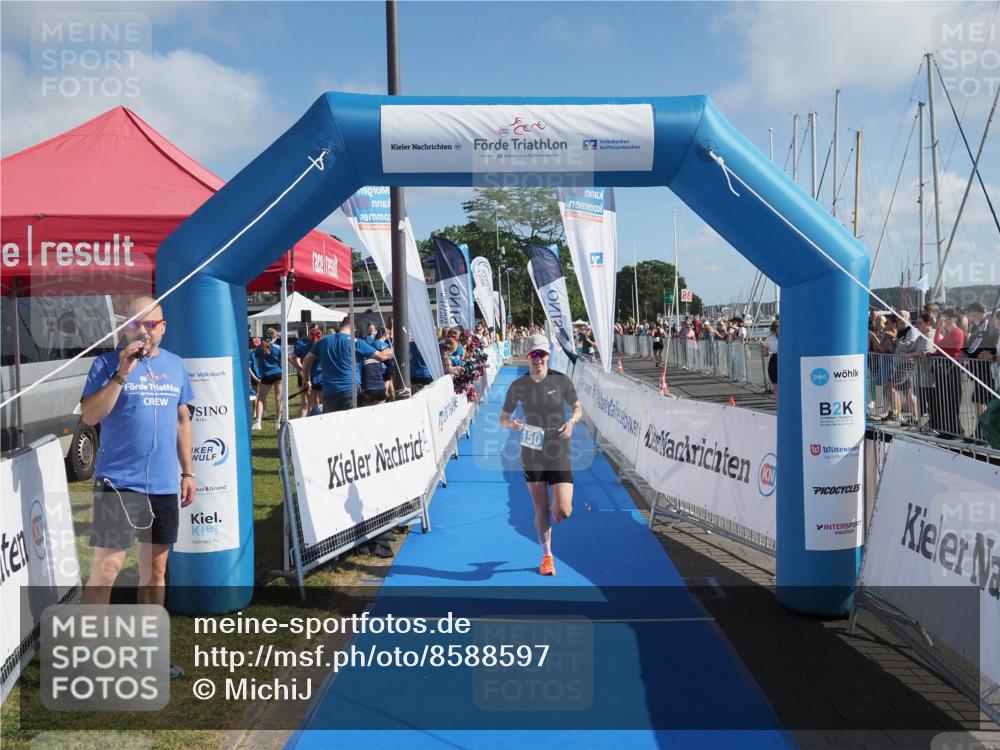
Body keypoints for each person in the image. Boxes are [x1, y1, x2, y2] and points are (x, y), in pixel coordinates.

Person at [79, 296, 195, 680]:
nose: (143, 331)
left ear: (163, 326)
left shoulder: (176, 366)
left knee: (156, 570)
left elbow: (182, 420)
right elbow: (91, 415)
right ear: (125, 328)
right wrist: (121, 373)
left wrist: (188, 472)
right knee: (108, 569)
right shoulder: (106, 364)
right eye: (135, 324)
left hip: (163, 485)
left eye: (150, 324)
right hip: (118, 483)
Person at [498, 334, 583, 577]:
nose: (538, 359)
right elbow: (503, 417)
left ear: (548, 355)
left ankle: (558, 509)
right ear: (528, 356)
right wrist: (511, 424)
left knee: (564, 511)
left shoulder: (561, 380)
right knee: (541, 509)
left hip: (557, 447)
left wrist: (571, 422)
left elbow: (578, 408)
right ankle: (547, 556)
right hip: (531, 450)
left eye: (542, 354)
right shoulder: (519, 386)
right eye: (534, 354)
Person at [303, 319, 393, 413]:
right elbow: (382, 356)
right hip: (350, 390)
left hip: (329, 390)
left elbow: (306, 360)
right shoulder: (356, 342)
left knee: (332, 423)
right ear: (354, 329)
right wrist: (394, 348)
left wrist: (307, 380)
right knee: (352, 423)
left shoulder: (323, 341)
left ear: (340, 326)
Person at [252, 328, 283, 430]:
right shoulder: (279, 348)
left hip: (266, 375)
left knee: (261, 398)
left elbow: (257, 363)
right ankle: (278, 422)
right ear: (275, 336)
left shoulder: (259, 348)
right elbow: (282, 363)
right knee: (278, 398)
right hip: (278, 374)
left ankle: (258, 423)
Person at [762, 321, 779, 397]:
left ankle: (779, 405)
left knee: (775, 385)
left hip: (774, 360)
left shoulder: (768, 339)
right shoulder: (788, 337)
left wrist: (771, 352)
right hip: (786, 360)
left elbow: (765, 354)